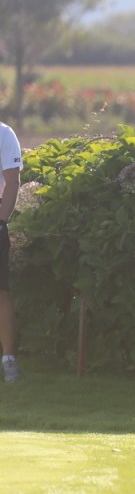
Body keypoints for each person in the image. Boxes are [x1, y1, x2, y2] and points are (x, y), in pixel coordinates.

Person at [0, 120, 21, 382]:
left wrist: (1, 220)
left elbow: (13, 182)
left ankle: (8, 360)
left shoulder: (4, 134)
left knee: (0, 292)